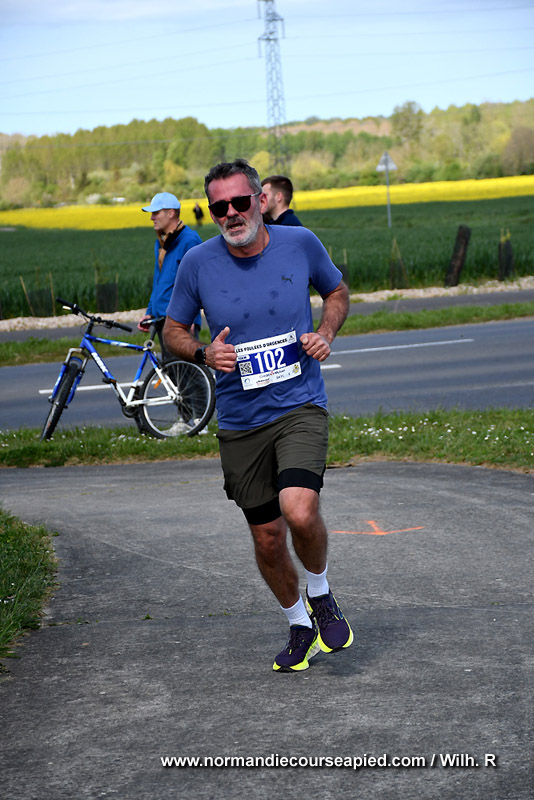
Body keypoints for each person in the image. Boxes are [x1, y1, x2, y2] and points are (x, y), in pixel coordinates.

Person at [163, 159, 353, 673]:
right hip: (240, 420)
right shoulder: (197, 263)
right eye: (218, 207)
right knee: (267, 537)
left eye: (240, 202)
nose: (230, 213)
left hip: (299, 405)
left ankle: (321, 593)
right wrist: (203, 352)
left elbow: (336, 291)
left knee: (299, 510)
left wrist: (325, 333)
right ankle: (299, 625)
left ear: (260, 201)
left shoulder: (300, 243)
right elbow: (173, 329)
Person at [138, 192, 202, 358]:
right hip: (162, 319)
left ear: (171, 213)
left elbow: (197, 283)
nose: (152, 218)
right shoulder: (161, 242)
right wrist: (150, 311)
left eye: (156, 213)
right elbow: (158, 280)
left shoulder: (189, 240)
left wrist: (192, 319)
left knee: (186, 371)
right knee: (171, 370)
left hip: (181, 322)